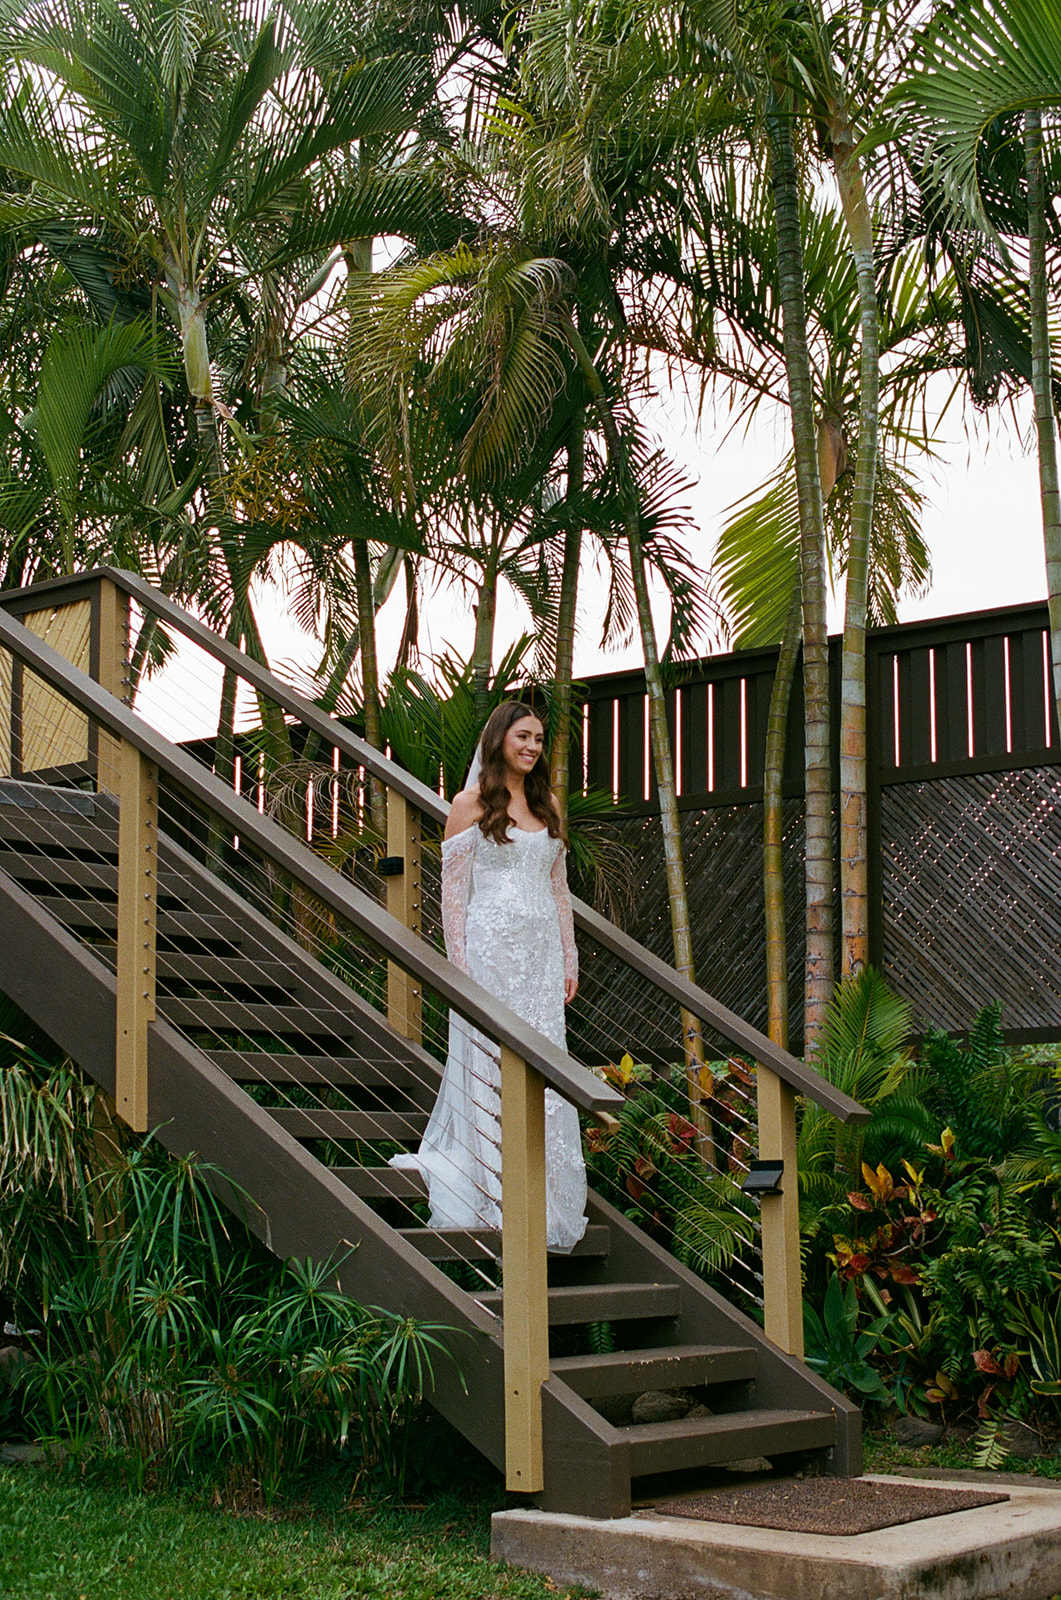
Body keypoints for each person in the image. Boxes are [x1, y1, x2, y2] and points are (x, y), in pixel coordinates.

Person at [392, 701, 588, 1251]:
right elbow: (453, 896)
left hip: (542, 954)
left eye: (539, 739)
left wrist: (569, 958)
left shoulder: (548, 804)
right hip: (491, 952)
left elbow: (558, 889)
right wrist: (461, 970)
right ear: (500, 738)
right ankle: (490, 1190)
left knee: (545, 1067)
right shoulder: (469, 804)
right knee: (491, 1062)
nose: (532, 747)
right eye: (523, 736)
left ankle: (544, 1198)